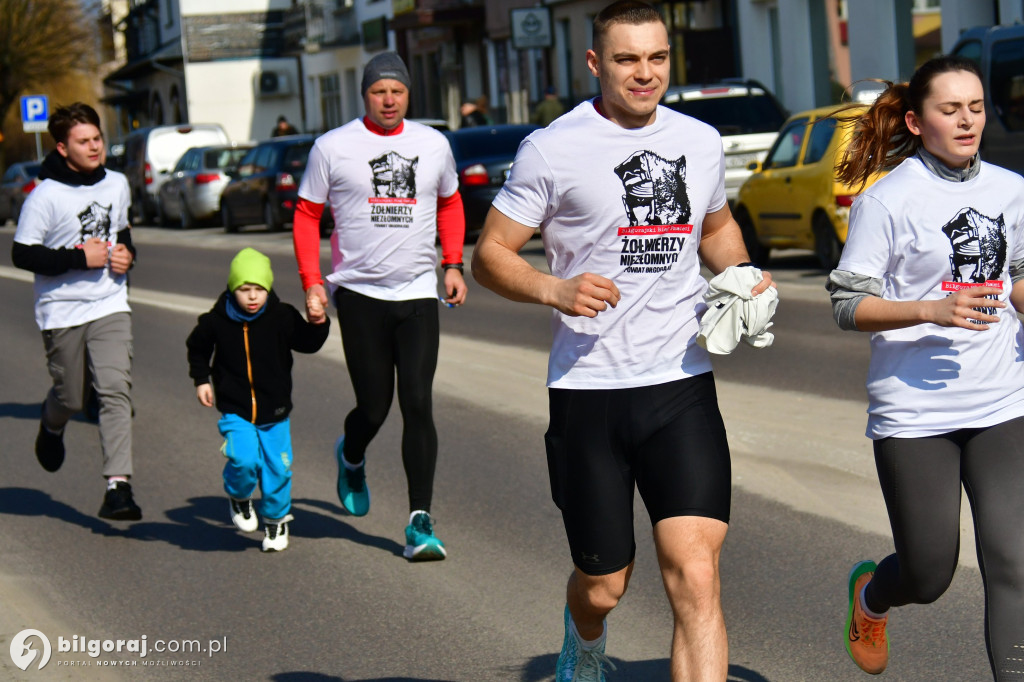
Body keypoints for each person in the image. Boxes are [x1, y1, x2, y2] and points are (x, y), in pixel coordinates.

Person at [472, 2, 773, 680]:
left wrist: (745, 275)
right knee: (604, 584)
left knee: (696, 575)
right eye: (627, 59)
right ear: (595, 63)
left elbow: (715, 227)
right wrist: (555, 288)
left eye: (657, 58)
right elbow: (488, 255)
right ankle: (584, 635)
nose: (645, 74)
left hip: (680, 382)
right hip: (589, 391)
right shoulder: (553, 148)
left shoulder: (698, 140)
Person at [828, 55, 1024, 680]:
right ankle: (872, 597)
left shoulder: (1010, 189)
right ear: (915, 121)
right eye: (949, 109)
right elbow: (846, 304)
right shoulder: (889, 202)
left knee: (1015, 561)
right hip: (916, 413)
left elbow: (1015, 275)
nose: (967, 121)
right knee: (931, 571)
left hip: (1002, 402)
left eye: (975, 106)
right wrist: (929, 310)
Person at [292, 51, 468, 561]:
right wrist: (312, 284)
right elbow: (306, 216)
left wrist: (452, 263)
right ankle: (350, 454)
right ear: (364, 95)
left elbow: (451, 202)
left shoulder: (433, 144)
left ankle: (419, 521)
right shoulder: (333, 147)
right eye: (378, 91)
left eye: (397, 91)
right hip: (359, 293)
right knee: (374, 406)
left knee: (416, 401)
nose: (388, 100)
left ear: (408, 94)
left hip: (415, 291)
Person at [11, 102, 141, 521]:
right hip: (61, 311)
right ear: (63, 147)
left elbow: (122, 234)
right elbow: (21, 254)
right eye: (83, 141)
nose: (94, 147)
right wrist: (76, 258)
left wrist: (126, 256)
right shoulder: (45, 195)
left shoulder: (117, 184)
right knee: (70, 397)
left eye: (97, 139)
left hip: (109, 302)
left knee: (115, 389)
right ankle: (52, 423)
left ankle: (118, 487)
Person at [186, 248, 330, 552]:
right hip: (235, 409)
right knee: (243, 459)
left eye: (259, 289)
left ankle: (276, 522)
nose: (252, 297)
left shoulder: (281, 316)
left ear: (268, 288)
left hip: (275, 412)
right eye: (244, 289)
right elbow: (197, 348)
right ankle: (239, 497)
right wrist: (201, 380)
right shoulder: (217, 320)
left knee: (278, 469)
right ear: (232, 289)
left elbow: (308, 343)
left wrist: (318, 321)